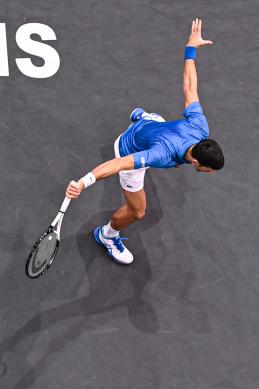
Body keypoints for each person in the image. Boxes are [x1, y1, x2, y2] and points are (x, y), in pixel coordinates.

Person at [66, 19, 224, 265]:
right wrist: (83, 183)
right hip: (131, 145)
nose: (209, 173)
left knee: (158, 122)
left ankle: (143, 119)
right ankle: (106, 236)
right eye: (208, 169)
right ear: (195, 161)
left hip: (155, 128)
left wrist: (190, 49)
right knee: (138, 211)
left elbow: (190, 87)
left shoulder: (200, 128)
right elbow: (119, 164)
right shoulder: (159, 155)